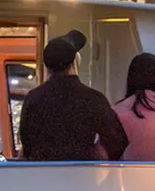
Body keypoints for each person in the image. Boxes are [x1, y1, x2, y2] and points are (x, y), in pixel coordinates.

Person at [17, 31, 129, 161]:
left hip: (45, 175)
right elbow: (118, 142)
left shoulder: (33, 98)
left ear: (47, 66)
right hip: (83, 175)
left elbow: (27, 142)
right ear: (73, 63)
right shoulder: (93, 99)